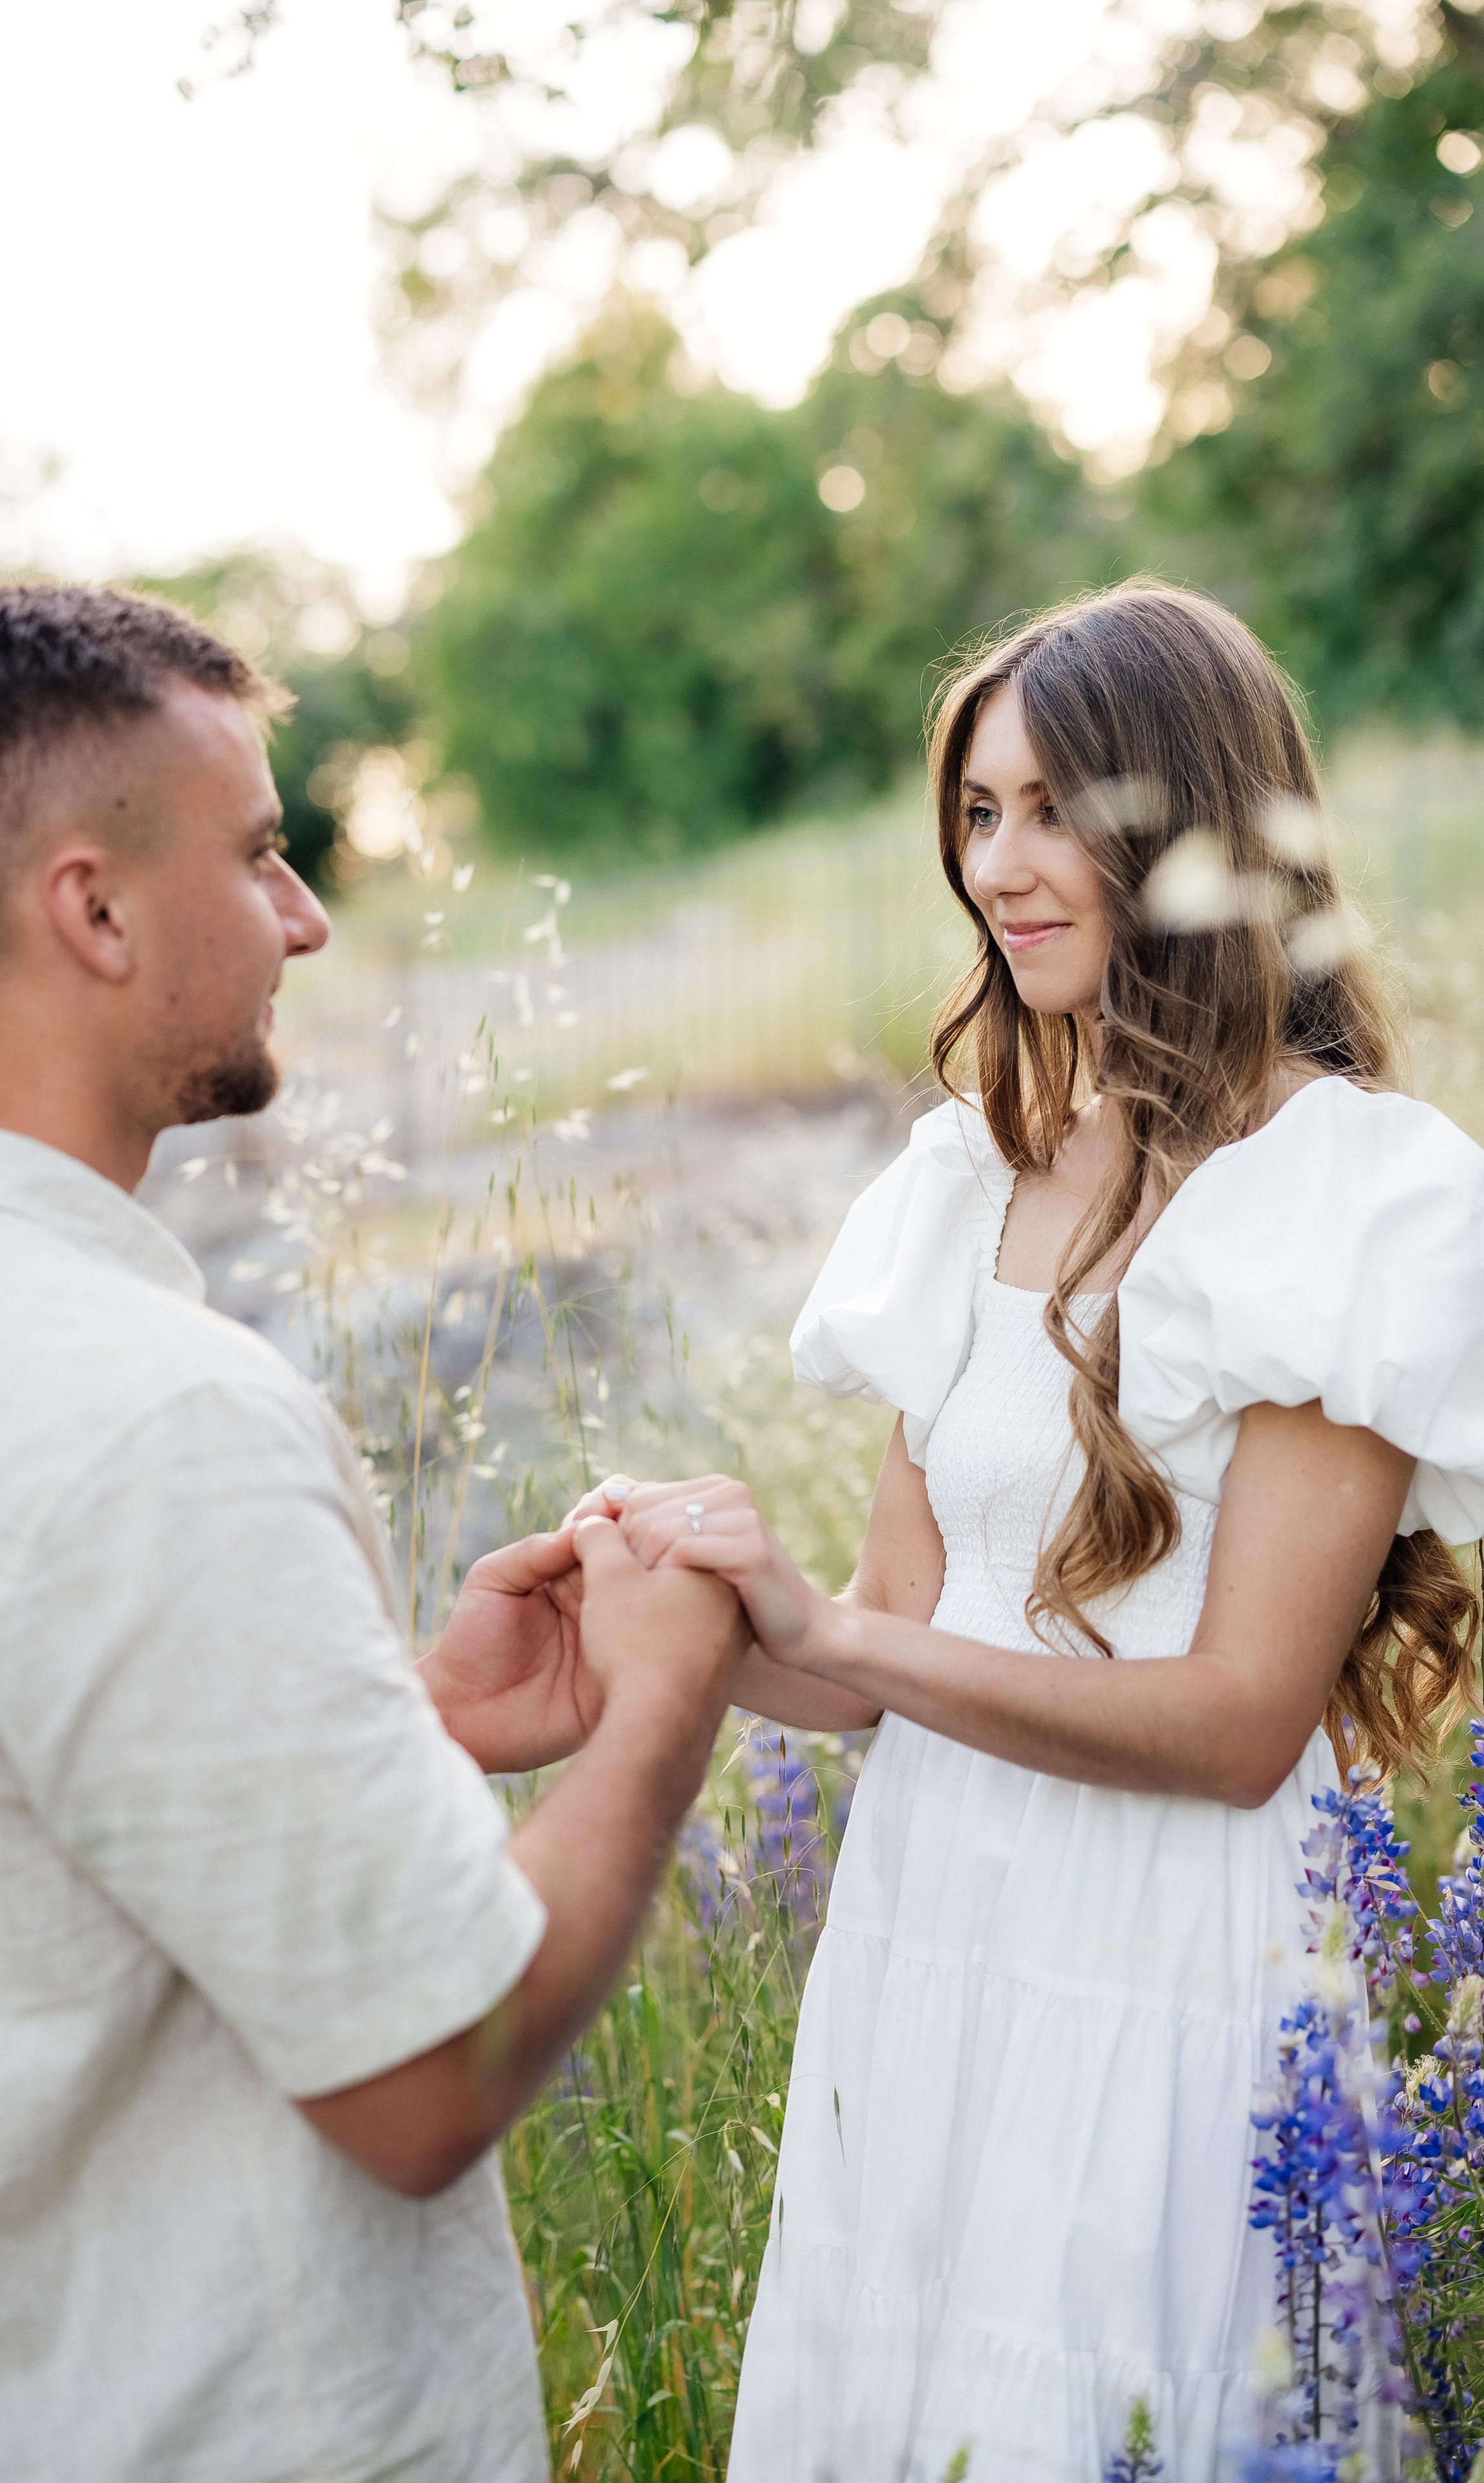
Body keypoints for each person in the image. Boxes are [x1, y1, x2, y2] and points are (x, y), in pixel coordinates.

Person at [0, 583, 745, 2483]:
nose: (307, 917)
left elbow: (2, 1837)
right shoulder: (166, 1418)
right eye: (259, 856)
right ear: (92, 909)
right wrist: (665, 1703)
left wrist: (412, 1726)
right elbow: (425, 2082)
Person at [589, 583, 1484, 2478]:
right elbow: (882, 1642)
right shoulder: (968, 1171)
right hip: (929, 1929)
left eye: (1053, 809)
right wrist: (679, 1598)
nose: (1002, 865)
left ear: (1192, 830)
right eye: (978, 815)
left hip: (1167, 1961)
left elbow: (1243, 1723)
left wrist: (845, 1647)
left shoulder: (1347, 1194)